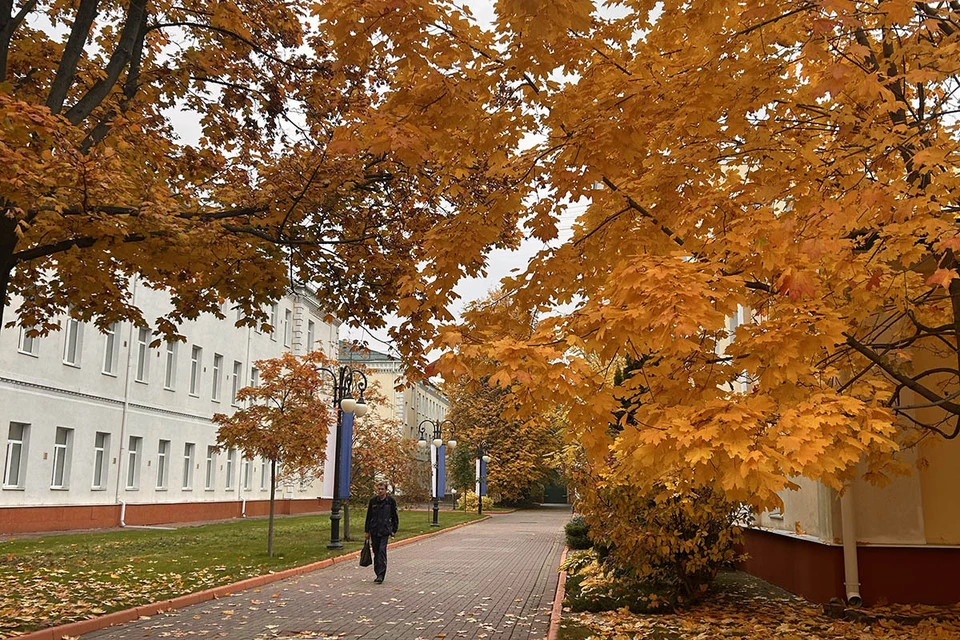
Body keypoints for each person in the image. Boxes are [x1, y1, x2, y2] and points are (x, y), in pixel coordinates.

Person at [364, 480, 398, 583]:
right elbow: (369, 516)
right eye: (378, 489)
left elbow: (394, 516)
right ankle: (377, 571)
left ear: (386, 490)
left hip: (385, 530)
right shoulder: (373, 501)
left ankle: (381, 575)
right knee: (376, 551)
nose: (380, 491)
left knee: (382, 551)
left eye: (382, 489)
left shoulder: (390, 501)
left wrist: (394, 530)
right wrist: (367, 531)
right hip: (375, 529)